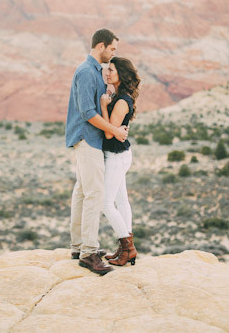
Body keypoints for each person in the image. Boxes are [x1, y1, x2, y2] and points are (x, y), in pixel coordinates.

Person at [65, 28, 128, 275]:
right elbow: (87, 113)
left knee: (82, 192)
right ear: (100, 46)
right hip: (87, 139)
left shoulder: (93, 71)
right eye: (112, 49)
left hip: (87, 139)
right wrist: (114, 128)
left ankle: (78, 246)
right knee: (94, 194)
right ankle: (88, 253)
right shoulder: (86, 71)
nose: (113, 54)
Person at [100, 57, 140, 266]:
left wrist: (103, 106)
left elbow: (109, 135)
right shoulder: (119, 96)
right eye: (107, 69)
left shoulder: (122, 101)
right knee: (121, 201)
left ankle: (128, 248)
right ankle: (125, 248)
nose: (108, 73)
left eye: (112, 70)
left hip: (116, 156)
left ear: (121, 75)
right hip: (119, 154)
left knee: (106, 203)